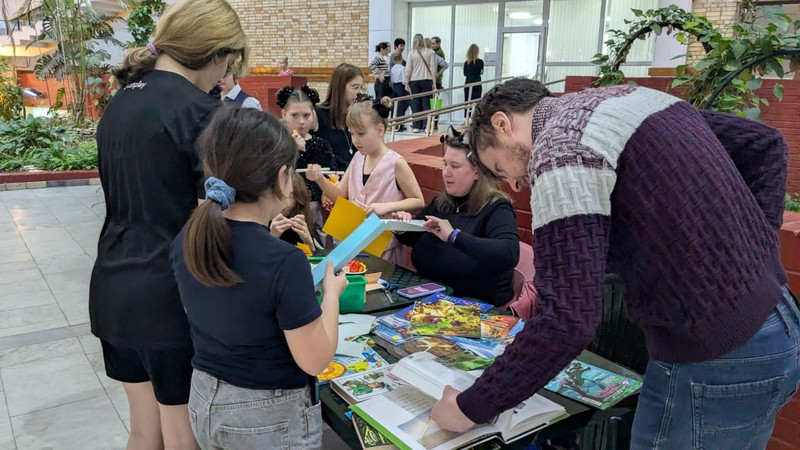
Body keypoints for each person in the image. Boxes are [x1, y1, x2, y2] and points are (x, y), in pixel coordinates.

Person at [430, 78, 800, 450]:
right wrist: (753, 254)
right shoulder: (626, 98)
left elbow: (565, 322)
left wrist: (469, 408)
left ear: (502, 124)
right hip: (778, 321)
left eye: (499, 168)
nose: (514, 184)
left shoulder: (558, 148)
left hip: (715, 356)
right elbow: (764, 144)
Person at [89, 0, 247, 448]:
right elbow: (215, 218)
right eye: (230, 62)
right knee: (183, 435)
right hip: (169, 297)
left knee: (144, 430)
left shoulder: (121, 101)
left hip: (112, 285)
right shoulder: (202, 112)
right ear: (218, 54)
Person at [170, 106, 347, 449]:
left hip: (204, 398)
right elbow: (315, 359)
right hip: (266, 413)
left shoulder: (189, 238)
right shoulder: (283, 260)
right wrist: (331, 294)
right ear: (282, 178)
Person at [393, 126, 519, 306]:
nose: (446, 172)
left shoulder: (497, 208)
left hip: (473, 307)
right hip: (428, 299)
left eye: (455, 166)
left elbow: (508, 253)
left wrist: (454, 236)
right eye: (445, 164)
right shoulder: (442, 202)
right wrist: (401, 227)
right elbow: (415, 238)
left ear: (477, 171)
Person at [307, 96, 425, 265]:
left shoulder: (396, 163)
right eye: (352, 133)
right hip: (354, 244)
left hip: (384, 249)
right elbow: (340, 196)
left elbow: (418, 201)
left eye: (361, 134)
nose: (355, 140)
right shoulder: (357, 158)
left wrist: (387, 207)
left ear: (379, 130)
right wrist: (319, 179)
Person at [277, 85, 334, 244]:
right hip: (286, 208)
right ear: (284, 114)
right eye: (294, 115)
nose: (301, 121)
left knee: (317, 246)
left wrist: (320, 178)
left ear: (313, 115)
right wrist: (295, 151)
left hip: (316, 208)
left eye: (306, 115)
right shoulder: (277, 143)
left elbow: (332, 176)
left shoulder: (321, 144)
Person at [314, 62, 364, 170]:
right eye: (355, 87)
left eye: (361, 87)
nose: (359, 93)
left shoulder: (357, 116)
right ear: (340, 88)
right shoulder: (318, 115)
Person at [271, 173, 318, 250]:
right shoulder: (259, 223)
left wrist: (308, 241)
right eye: (279, 194)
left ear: (297, 201)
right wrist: (271, 237)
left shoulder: (298, 223)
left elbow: (310, 257)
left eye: (291, 196)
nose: (285, 202)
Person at [404, 33, 436, 133]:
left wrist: (406, 82)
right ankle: (426, 126)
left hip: (414, 81)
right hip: (427, 80)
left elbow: (408, 69)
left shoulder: (411, 53)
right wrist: (434, 82)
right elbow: (433, 68)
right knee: (426, 104)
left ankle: (416, 126)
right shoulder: (429, 52)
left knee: (416, 103)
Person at [390, 53, 410, 132]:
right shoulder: (403, 68)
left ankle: (394, 123)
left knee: (395, 105)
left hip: (394, 86)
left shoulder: (392, 68)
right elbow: (404, 80)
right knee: (402, 105)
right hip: (401, 86)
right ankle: (400, 124)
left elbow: (391, 79)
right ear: (401, 59)